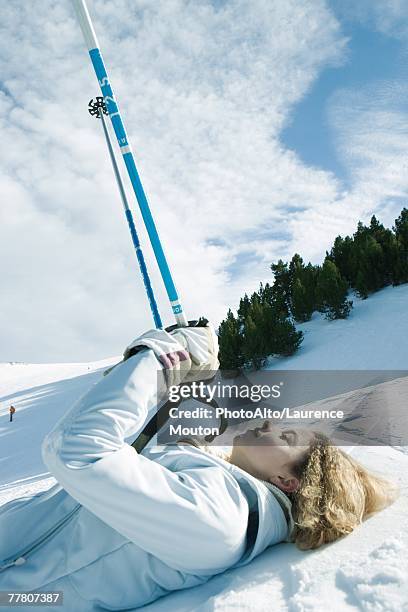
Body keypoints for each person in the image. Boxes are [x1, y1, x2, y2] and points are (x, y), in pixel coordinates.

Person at [0, 323, 397, 611]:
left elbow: (79, 450)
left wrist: (165, 357)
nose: (271, 424)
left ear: (288, 482)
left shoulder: (218, 520)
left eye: (287, 438)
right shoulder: (224, 495)